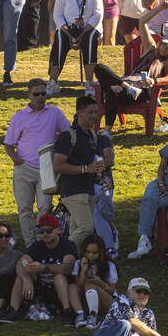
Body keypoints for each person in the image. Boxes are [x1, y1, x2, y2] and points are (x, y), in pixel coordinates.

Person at [4, 78, 70, 245]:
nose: (40, 97)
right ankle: (29, 243)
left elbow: (68, 134)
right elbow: (9, 144)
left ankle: (42, 240)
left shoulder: (55, 113)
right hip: (24, 168)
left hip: (47, 170)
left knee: (45, 207)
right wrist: (16, 159)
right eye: (36, 94)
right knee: (25, 209)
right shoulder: (19, 117)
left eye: (43, 93)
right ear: (29, 95)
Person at [92, 24, 168, 135]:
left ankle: (107, 131)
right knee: (99, 68)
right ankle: (126, 86)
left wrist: (155, 81)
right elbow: (142, 22)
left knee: (111, 91)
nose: (165, 49)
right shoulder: (150, 49)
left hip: (142, 91)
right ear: (161, 43)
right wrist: (161, 8)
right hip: (129, 84)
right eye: (165, 45)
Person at [52, 95, 113, 250]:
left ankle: (72, 265)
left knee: (77, 230)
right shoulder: (68, 135)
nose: (94, 116)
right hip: (73, 191)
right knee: (86, 229)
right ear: (79, 114)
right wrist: (86, 169)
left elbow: (96, 164)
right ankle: (62, 255)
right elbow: (57, 165)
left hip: (88, 190)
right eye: (90, 112)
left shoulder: (92, 136)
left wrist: (103, 177)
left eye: (96, 112)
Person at [47, 0, 103, 97]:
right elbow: (58, 14)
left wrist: (83, 33)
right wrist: (68, 33)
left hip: (89, 27)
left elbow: (98, 13)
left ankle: (89, 83)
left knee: (89, 39)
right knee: (59, 37)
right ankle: (52, 82)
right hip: (69, 28)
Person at [18, 214, 78, 322]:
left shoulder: (67, 245)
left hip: (64, 289)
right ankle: (13, 311)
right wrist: (26, 278)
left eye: (49, 231)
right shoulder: (37, 246)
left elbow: (68, 267)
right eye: (41, 231)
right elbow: (22, 261)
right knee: (20, 278)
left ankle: (67, 311)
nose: (45, 234)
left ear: (58, 230)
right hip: (43, 289)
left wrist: (44, 268)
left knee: (59, 277)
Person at [70, 235, 118, 329]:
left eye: (94, 253)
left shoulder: (109, 265)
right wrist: (83, 271)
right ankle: (80, 315)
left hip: (106, 302)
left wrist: (99, 282)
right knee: (72, 287)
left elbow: (112, 290)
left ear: (101, 252)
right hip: (86, 301)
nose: (90, 255)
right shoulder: (78, 263)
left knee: (90, 283)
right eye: (87, 252)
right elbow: (78, 286)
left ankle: (94, 316)